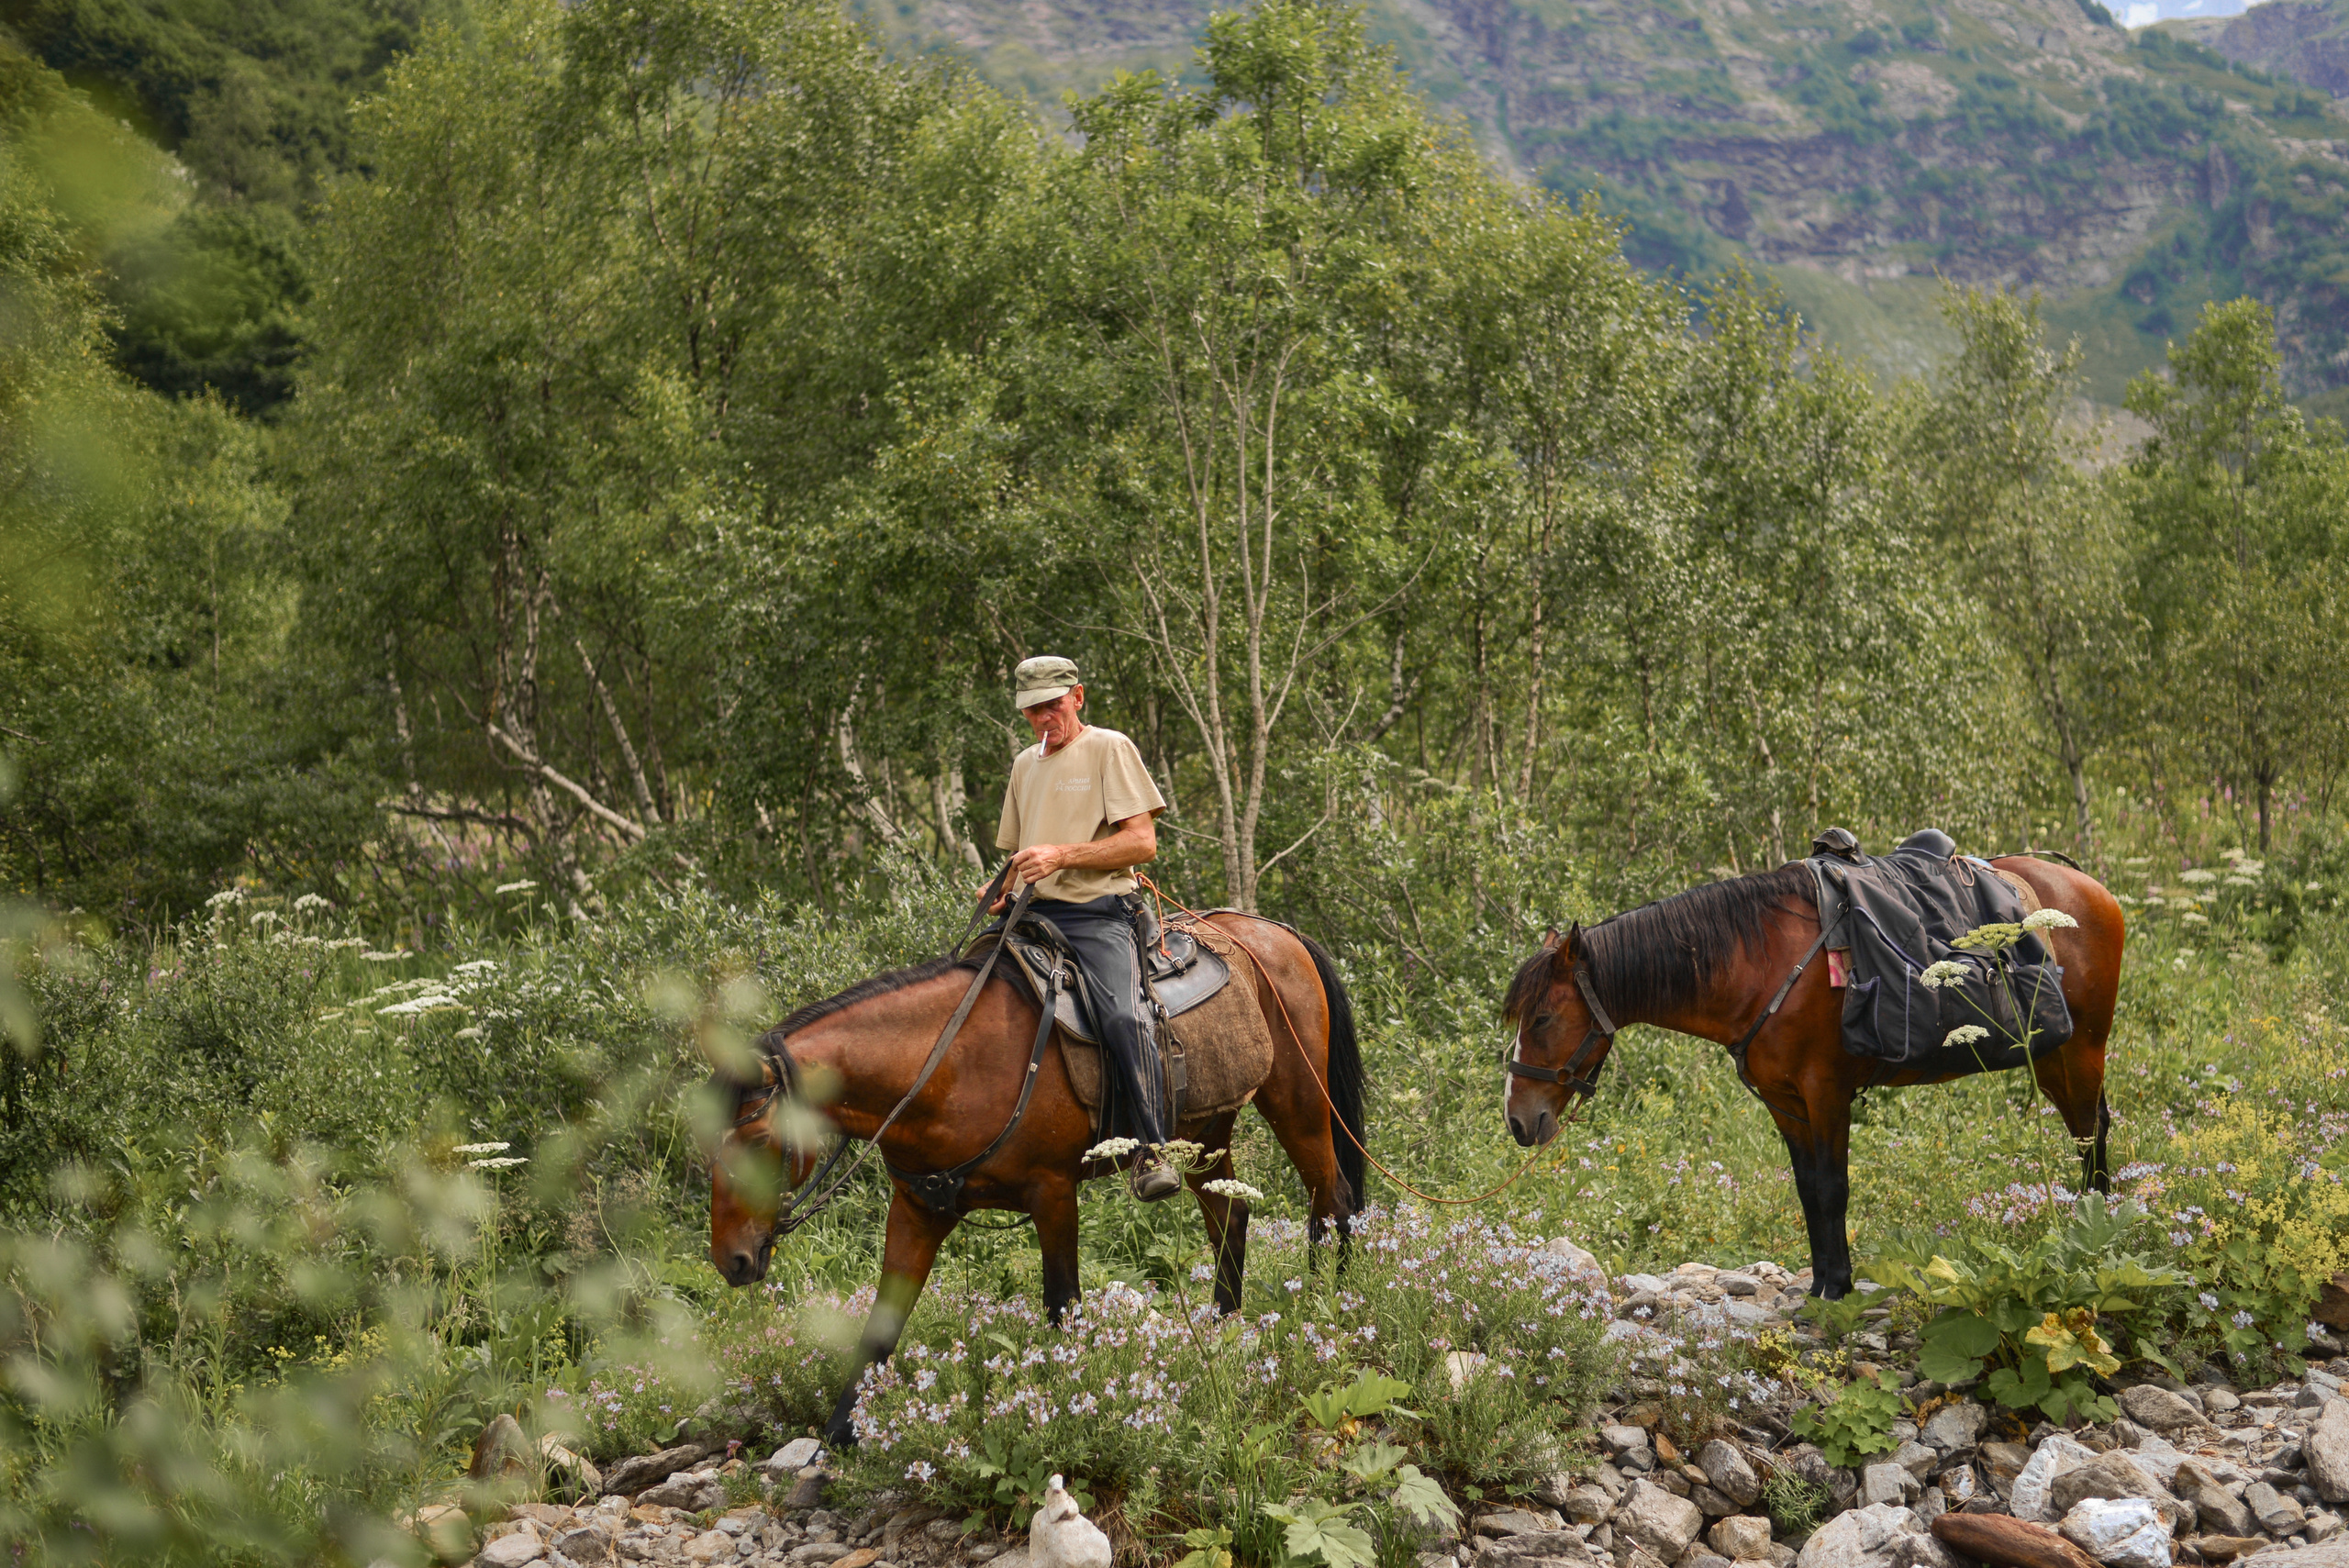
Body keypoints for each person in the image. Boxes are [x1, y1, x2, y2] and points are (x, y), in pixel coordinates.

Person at [990, 654, 1181, 1202]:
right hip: (1034, 914)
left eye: (1053, 704)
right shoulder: (1025, 764)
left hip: (1100, 913)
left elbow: (1142, 842)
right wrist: (998, 889)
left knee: (1122, 1015)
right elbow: (1022, 851)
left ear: (1077, 697)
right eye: (1033, 710)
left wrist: (1063, 856)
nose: (1044, 717)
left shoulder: (1109, 747)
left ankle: (1152, 1148)